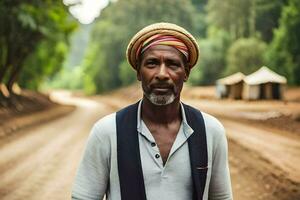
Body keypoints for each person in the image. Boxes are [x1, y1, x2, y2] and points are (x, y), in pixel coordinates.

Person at [72, 22, 233, 200]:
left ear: (186, 73)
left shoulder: (211, 131)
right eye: (152, 63)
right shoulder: (107, 132)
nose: (162, 74)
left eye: (172, 64)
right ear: (138, 72)